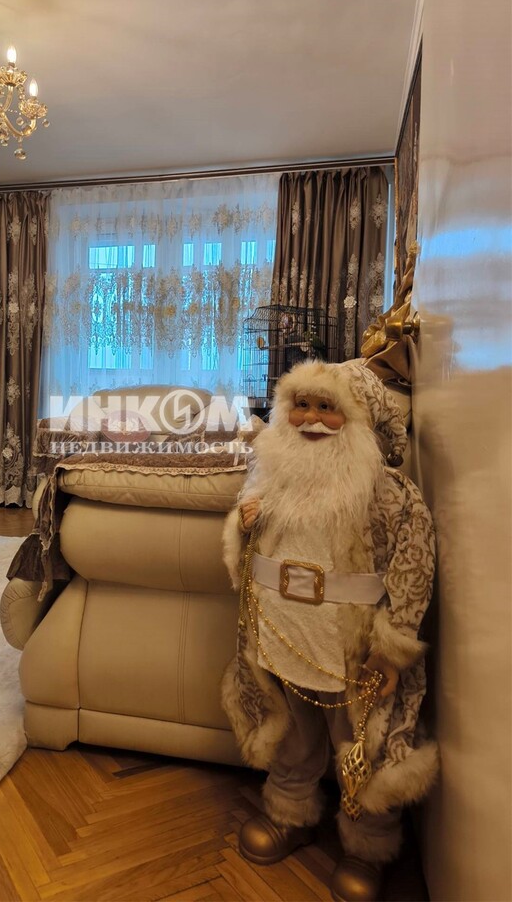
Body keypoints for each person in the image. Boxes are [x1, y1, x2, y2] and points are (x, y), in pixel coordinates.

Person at [221, 360, 438, 902]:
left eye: (327, 408)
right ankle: (289, 809)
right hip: (284, 638)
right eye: (301, 405)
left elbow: (412, 573)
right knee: (293, 733)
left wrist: (392, 649)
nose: (311, 419)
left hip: (352, 652)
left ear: (360, 420)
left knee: (359, 742)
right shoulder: (269, 480)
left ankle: (368, 843)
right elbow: (248, 553)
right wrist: (243, 527)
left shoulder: (391, 495)